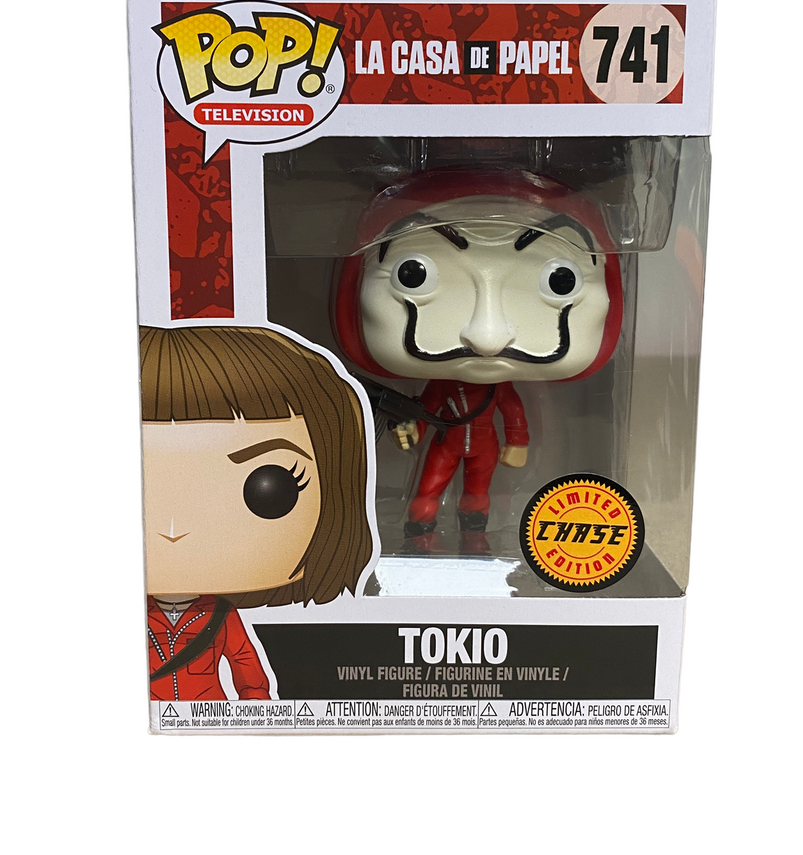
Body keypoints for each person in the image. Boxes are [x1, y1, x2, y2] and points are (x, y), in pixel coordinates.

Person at [334, 168, 622, 539]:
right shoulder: (444, 387)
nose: (487, 338)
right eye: (413, 275)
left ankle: (475, 531)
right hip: (446, 445)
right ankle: (421, 526)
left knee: (478, 490)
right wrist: (413, 430)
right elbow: (427, 407)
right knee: (430, 485)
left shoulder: (495, 389)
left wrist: (517, 441)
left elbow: (512, 411)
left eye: (560, 281)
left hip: (483, 448)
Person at [140, 325, 373, 700]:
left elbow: (248, 671)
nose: (172, 530)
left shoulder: (220, 616)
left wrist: (257, 714)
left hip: (211, 717)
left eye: (269, 489)